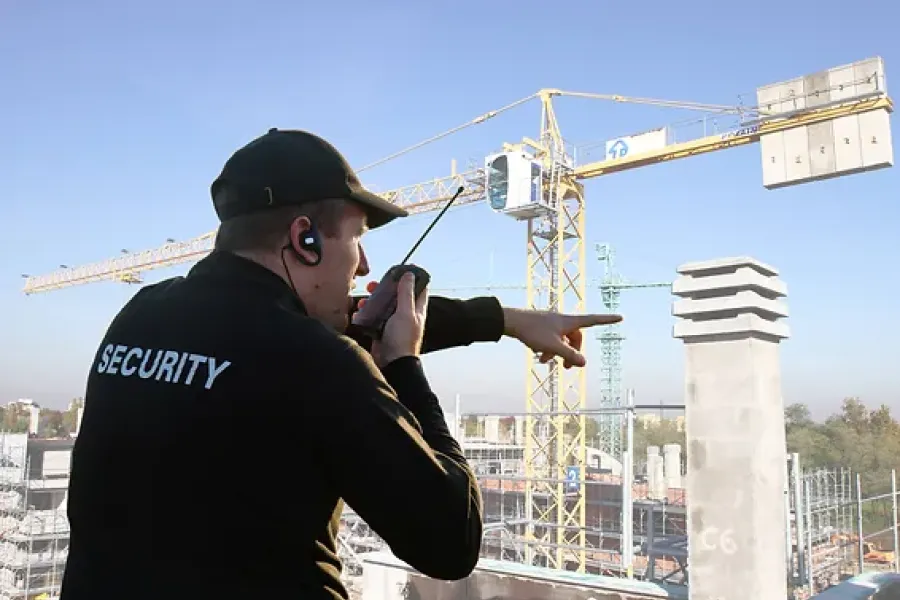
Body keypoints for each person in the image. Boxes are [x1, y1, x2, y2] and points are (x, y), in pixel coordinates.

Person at [60, 128, 622, 600]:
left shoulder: (141, 315)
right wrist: (401, 364)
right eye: (356, 236)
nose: (363, 263)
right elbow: (452, 542)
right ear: (305, 238)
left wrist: (506, 319)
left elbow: (308, 332)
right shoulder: (318, 363)